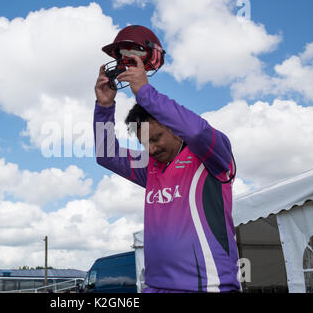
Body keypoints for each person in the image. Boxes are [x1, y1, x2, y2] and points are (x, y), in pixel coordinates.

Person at [94, 25, 240, 293]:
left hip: (208, 287)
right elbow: (106, 154)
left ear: (176, 128)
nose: (149, 149)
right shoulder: (150, 167)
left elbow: (196, 130)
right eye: (143, 142)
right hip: (154, 287)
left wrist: (144, 92)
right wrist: (104, 107)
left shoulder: (211, 158)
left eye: (156, 138)